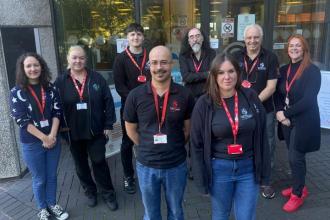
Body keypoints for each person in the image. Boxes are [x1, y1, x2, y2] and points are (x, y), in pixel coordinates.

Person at [190, 53, 270, 220]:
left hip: (248, 168)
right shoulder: (204, 104)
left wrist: (265, 172)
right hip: (219, 170)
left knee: (246, 216)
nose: (227, 77)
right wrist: (201, 180)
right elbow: (196, 144)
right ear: (213, 76)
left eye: (231, 71)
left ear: (238, 73)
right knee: (220, 215)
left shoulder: (250, 97)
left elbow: (262, 135)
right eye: (221, 72)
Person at [124, 46, 194, 220]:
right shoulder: (135, 95)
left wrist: (174, 145)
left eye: (164, 62)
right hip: (146, 166)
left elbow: (188, 129)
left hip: (176, 165)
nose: (159, 67)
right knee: (151, 214)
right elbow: (130, 129)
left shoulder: (184, 95)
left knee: (176, 213)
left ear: (171, 64)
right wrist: (147, 146)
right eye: (154, 63)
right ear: (149, 65)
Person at [55, 45, 118, 210]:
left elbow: (108, 102)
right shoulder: (60, 82)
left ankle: (108, 193)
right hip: (72, 133)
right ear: (68, 59)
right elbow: (55, 107)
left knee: (99, 162)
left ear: (86, 59)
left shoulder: (97, 78)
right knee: (80, 165)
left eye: (81, 58)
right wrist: (59, 127)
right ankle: (90, 191)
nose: (78, 61)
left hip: (96, 131)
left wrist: (108, 124)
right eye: (74, 57)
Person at [9, 53, 69, 220]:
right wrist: (45, 138)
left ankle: (52, 204)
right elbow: (22, 120)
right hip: (32, 142)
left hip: (53, 138)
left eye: (36, 65)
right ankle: (42, 208)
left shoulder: (50, 88)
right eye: (28, 66)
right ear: (23, 69)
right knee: (39, 178)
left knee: (52, 176)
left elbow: (58, 112)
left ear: (41, 67)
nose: (33, 69)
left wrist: (52, 135)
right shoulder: (16, 92)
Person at [274, 34, 321, 212]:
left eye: (298, 46)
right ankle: (299, 185)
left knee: (296, 157)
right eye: (291, 45)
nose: (294, 48)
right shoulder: (284, 69)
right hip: (286, 120)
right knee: (294, 157)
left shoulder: (312, 71)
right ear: (287, 49)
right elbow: (279, 94)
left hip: (303, 121)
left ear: (304, 49)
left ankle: (298, 194)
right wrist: (280, 113)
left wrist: (285, 113)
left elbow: (308, 100)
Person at [232, 24, 278, 199]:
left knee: (267, 144)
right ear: (244, 39)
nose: (252, 41)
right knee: (244, 142)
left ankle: (266, 180)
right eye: (249, 37)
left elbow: (271, 86)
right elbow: (230, 81)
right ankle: (247, 176)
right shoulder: (236, 57)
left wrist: (253, 103)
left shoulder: (271, 57)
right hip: (240, 110)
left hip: (264, 110)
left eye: (256, 37)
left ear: (261, 38)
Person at [113, 23, 151, 194]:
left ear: (143, 37)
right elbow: (120, 86)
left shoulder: (150, 56)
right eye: (132, 35)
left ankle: (151, 171)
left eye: (138, 34)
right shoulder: (120, 59)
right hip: (129, 108)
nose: (136, 38)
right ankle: (129, 176)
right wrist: (135, 103)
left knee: (150, 137)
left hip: (150, 107)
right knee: (127, 143)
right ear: (127, 38)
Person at [179, 27, 216, 99]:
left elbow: (213, 74)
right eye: (191, 37)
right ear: (188, 41)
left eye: (197, 36)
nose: (195, 40)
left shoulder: (211, 53)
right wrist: (206, 74)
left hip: (208, 94)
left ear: (202, 38)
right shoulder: (183, 55)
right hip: (190, 96)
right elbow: (186, 77)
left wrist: (193, 76)